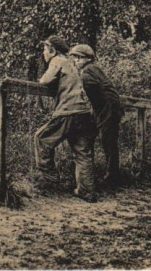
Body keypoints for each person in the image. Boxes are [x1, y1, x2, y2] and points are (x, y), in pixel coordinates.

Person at [34, 35, 98, 202]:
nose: (43, 53)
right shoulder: (72, 64)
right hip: (83, 113)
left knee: (41, 138)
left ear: (52, 50)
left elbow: (45, 81)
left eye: (45, 49)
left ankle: (50, 179)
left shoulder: (58, 61)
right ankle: (87, 191)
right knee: (82, 153)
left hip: (68, 111)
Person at [69, 44, 124, 185]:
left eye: (79, 58)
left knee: (108, 142)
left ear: (87, 59)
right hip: (105, 108)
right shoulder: (93, 69)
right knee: (106, 141)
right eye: (74, 58)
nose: (75, 61)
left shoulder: (88, 72)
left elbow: (88, 91)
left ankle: (112, 177)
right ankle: (105, 175)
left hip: (108, 109)